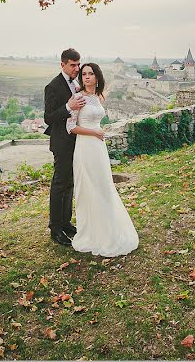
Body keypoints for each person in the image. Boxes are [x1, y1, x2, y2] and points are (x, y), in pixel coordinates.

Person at [66, 62, 138, 257]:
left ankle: (109, 230)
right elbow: (70, 127)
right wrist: (93, 132)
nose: (87, 76)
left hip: (98, 147)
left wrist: (97, 133)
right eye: (84, 74)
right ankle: (92, 233)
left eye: (91, 73)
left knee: (104, 186)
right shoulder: (78, 97)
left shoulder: (98, 97)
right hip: (85, 147)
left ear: (97, 77)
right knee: (90, 187)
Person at [43, 48, 85, 246]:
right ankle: (55, 228)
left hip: (76, 140)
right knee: (59, 184)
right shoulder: (52, 86)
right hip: (61, 142)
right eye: (72, 65)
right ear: (62, 65)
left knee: (69, 183)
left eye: (78, 64)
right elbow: (48, 117)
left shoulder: (76, 83)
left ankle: (66, 222)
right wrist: (68, 107)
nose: (77, 68)